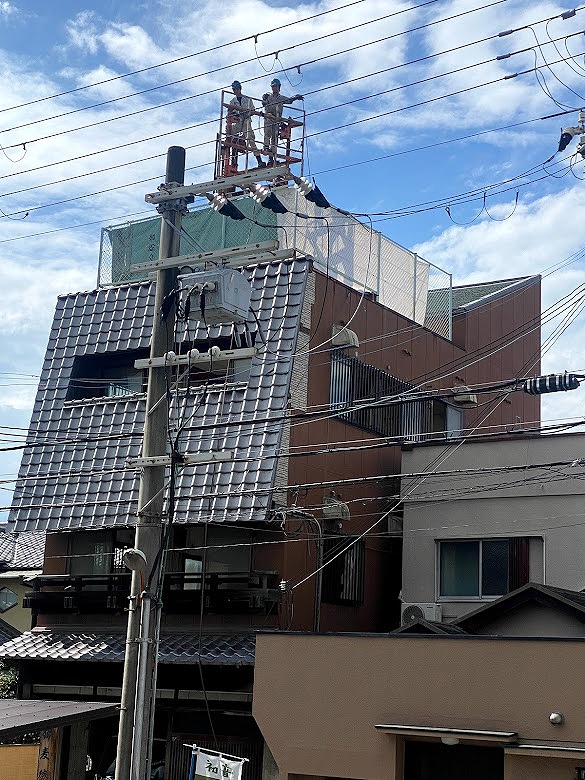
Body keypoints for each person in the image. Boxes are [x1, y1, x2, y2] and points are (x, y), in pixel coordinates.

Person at [261, 78, 303, 165]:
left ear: (279, 87)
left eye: (276, 86)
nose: (274, 88)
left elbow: (289, 100)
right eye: (273, 86)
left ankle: (271, 159)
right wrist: (263, 99)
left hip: (277, 119)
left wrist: (296, 97)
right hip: (269, 118)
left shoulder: (281, 98)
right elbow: (264, 103)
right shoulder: (268, 97)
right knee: (267, 134)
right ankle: (266, 147)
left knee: (274, 139)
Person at [228, 80, 264, 168]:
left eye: (236, 89)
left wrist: (247, 113)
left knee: (250, 139)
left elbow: (252, 110)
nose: (235, 91)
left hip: (246, 121)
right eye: (234, 89)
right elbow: (229, 113)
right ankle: (233, 161)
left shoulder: (248, 99)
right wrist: (234, 114)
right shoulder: (232, 101)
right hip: (237, 121)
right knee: (232, 138)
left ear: (240, 89)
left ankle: (259, 161)